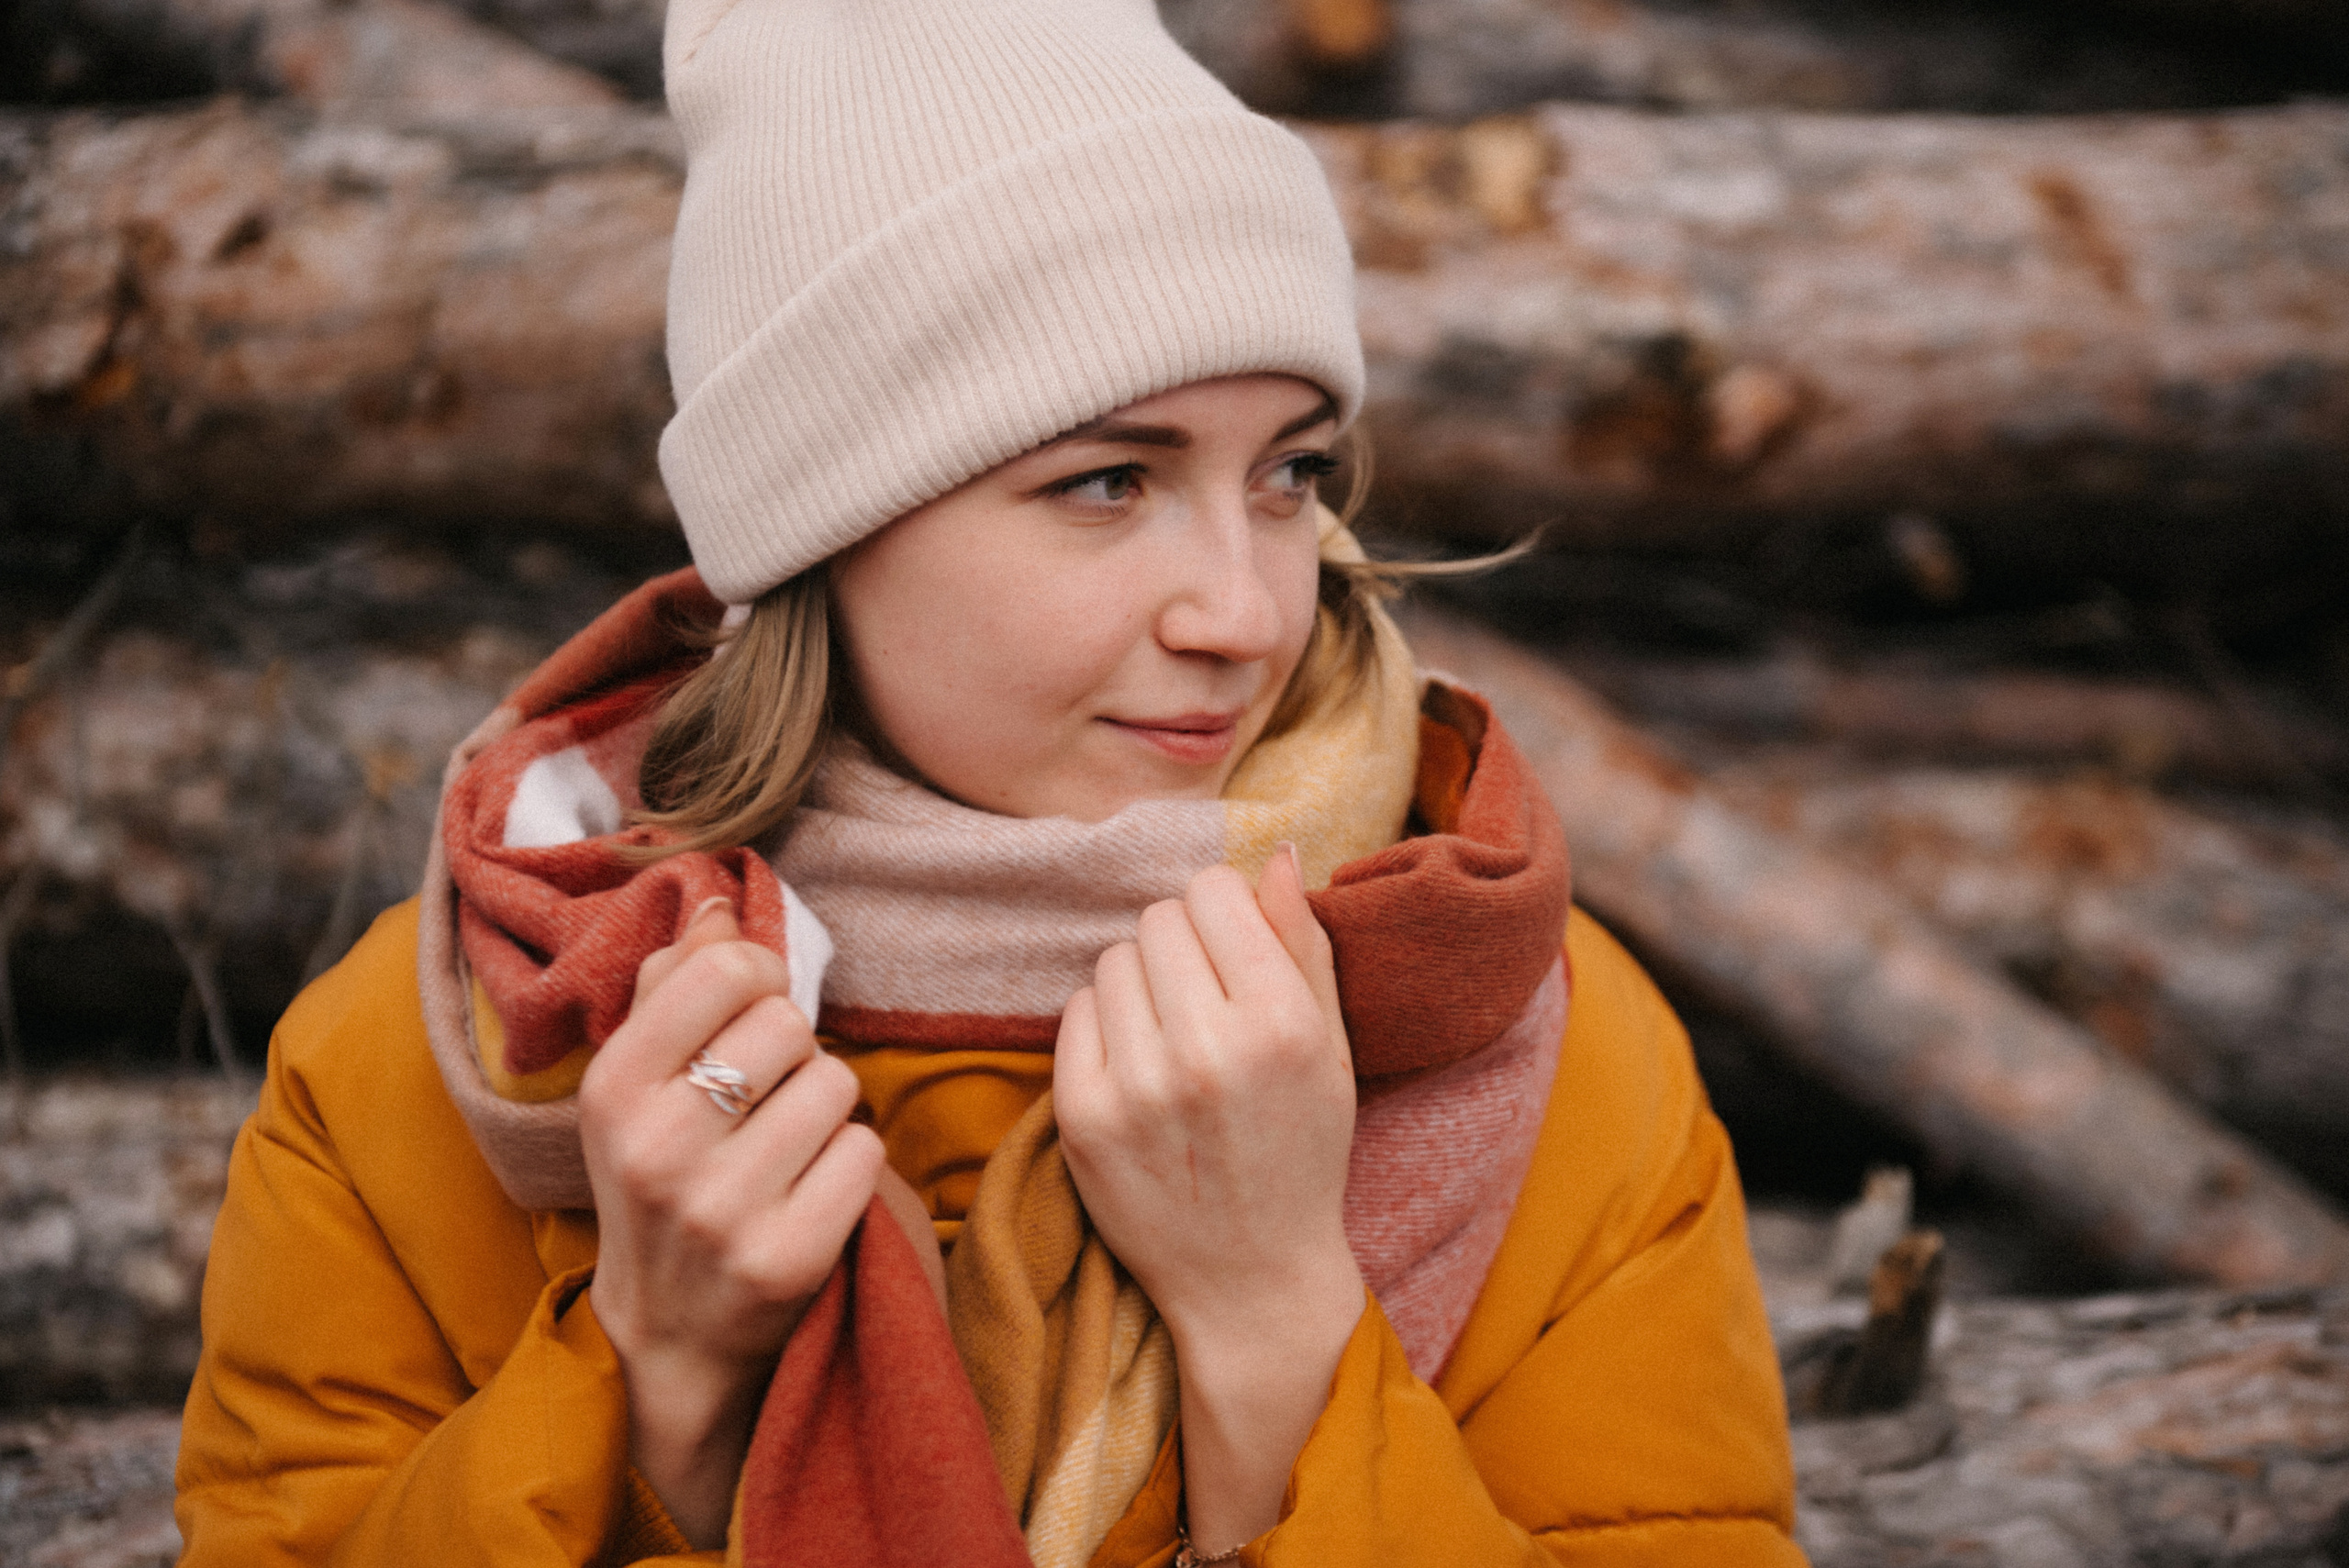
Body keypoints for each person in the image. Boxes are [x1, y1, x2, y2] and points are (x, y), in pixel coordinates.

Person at [173, 0, 1805, 1562]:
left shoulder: (1544, 1049)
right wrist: (646, 1380)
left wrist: (1277, 1332)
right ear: (824, 528)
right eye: (1106, 479)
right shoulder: (435, 1058)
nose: (1241, 612)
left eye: (1287, 473)